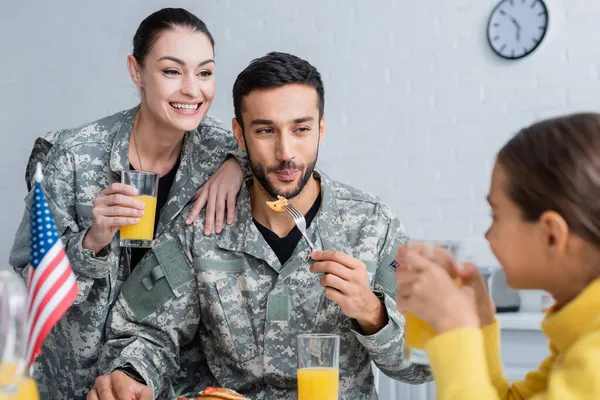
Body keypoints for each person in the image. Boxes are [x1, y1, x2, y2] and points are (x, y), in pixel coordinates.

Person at [90, 52, 432, 399]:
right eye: (266, 130)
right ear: (239, 134)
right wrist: (131, 374)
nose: (286, 152)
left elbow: (425, 362)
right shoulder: (199, 227)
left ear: (321, 128)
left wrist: (371, 313)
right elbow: (146, 333)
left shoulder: (372, 225)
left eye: (301, 129)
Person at [8, 8, 247, 399]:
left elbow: (282, 161)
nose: (192, 90)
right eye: (172, 71)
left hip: (169, 388)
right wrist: (91, 242)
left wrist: (239, 165)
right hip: (73, 386)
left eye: (204, 73)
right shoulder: (72, 156)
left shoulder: (223, 153)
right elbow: (26, 284)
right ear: (136, 71)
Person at [395, 113, 600, 399]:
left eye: (496, 215)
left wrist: (455, 330)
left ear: (552, 235)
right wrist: (478, 326)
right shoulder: (580, 336)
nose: (488, 235)